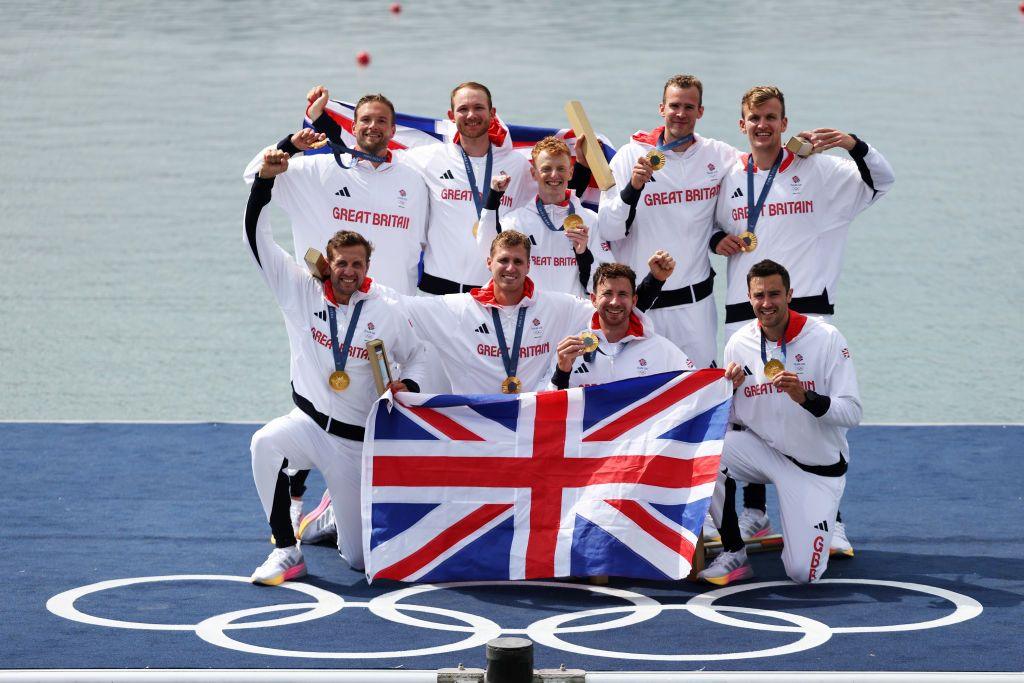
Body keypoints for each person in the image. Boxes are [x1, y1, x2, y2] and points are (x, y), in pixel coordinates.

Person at [711, 85, 894, 550]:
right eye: (754, 118)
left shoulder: (819, 171)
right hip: (744, 311)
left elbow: (882, 180)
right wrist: (718, 242)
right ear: (742, 124)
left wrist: (853, 143)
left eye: (771, 117)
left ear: (784, 123)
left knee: (819, 412)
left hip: (805, 308)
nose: (763, 125)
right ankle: (754, 515)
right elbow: (712, 226)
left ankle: (832, 519)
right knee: (749, 412)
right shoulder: (732, 173)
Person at [244, 148, 426, 585]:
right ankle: (287, 550)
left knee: (361, 563)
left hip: (352, 443)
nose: (348, 271)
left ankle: (330, 523)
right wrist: (265, 184)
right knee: (264, 443)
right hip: (307, 425)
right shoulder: (300, 290)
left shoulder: (385, 308)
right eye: (341, 263)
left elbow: (417, 353)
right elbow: (257, 239)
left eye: (357, 265)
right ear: (329, 262)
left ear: (368, 268)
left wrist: (408, 383)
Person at [698, 260, 861, 586]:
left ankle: (818, 520)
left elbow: (852, 413)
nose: (766, 303)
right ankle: (734, 551)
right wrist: (728, 392)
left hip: (816, 468)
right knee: (705, 451)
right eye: (759, 295)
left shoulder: (827, 338)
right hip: (767, 455)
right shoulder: (739, 343)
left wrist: (806, 398)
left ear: (790, 295)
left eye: (774, 294)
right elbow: (733, 419)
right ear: (748, 297)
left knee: (803, 574)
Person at [596, 74, 741, 368]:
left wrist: (716, 236)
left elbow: (762, 167)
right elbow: (610, 228)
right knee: (643, 397)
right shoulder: (631, 156)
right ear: (661, 108)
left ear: (700, 111)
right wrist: (633, 188)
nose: (681, 114)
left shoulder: (718, 154)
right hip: (643, 306)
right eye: (674, 106)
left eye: (689, 107)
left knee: (697, 391)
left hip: (694, 306)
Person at [244, 90, 429, 296]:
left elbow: (424, 243)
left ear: (393, 130)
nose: (373, 126)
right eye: (366, 119)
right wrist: (290, 145)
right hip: (326, 308)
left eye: (381, 121)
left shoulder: (414, 181)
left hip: (393, 310)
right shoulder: (319, 170)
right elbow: (254, 175)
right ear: (353, 127)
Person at [399, 82, 535, 294]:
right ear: (451, 115)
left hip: (492, 292)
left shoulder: (518, 166)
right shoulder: (430, 158)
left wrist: (583, 167)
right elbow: (375, 155)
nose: (471, 115)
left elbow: (551, 192)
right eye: (463, 109)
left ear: (492, 113)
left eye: (479, 108)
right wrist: (327, 120)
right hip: (435, 291)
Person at [477, 136, 609, 298]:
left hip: (574, 316)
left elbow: (605, 284)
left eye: (561, 168)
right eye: (546, 169)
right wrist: (493, 198)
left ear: (570, 172)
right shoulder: (517, 222)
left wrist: (583, 254)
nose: (554, 175)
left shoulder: (589, 221)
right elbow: (486, 251)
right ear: (534, 173)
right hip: (531, 315)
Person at [550, 262, 694, 389]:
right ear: (594, 299)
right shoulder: (570, 351)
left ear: (634, 300)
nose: (614, 302)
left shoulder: (661, 349)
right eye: (607, 293)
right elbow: (551, 408)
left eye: (622, 294)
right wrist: (562, 373)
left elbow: (696, 390)